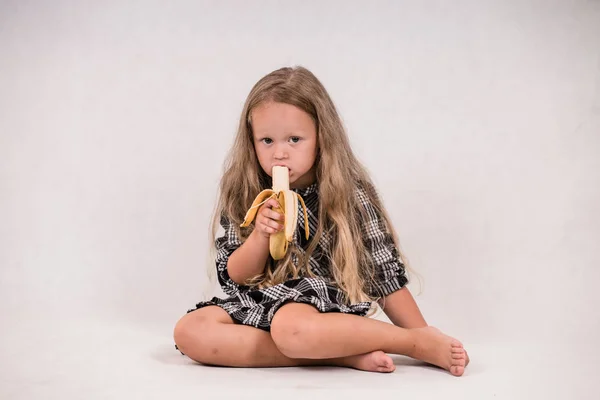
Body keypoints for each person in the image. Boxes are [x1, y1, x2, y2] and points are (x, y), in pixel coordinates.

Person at [173, 66, 469, 375]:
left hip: (319, 309)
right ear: (251, 141)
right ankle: (339, 354)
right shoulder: (245, 189)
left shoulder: (347, 192)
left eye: (294, 139)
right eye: (267, 141)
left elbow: (385, 277)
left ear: (321, 137)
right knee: (190, 331)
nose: (280, 154)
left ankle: (407, 343)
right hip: (262, 301)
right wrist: (260, 235)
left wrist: (422, 335)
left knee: (290, 326)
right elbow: (235, 276)